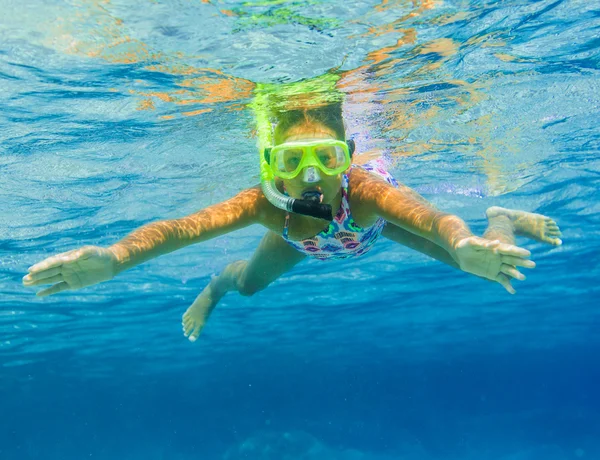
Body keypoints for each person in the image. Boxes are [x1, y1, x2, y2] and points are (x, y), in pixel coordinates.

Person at [22, 75, 562, 342]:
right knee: (249, 285)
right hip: (298, 241)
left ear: (346, 157)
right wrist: (117, 258)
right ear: (270, 165)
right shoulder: (264, 205)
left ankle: (502, 217)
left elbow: (429, 218)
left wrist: (463, 240)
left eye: (326, 158)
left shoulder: (364, 192)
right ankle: (213, 290)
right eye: (293, 160)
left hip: (377, 229)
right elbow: (179, 230)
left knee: (478, 261)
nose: (311, 176)